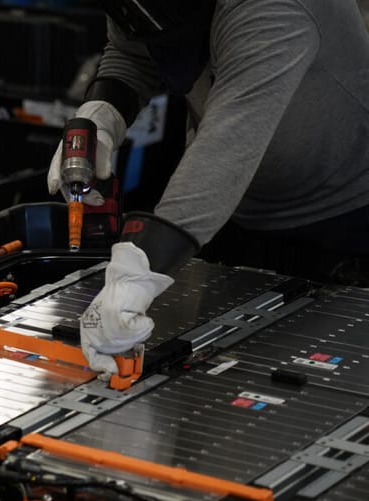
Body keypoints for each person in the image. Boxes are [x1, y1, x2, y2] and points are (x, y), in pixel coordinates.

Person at [46, 0, 369, 377]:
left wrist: (139, 270)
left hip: (345, 223)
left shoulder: (279, 6)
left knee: (313, 395)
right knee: (215, 378)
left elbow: (230, 140)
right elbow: (134, 53)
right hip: (232, 209)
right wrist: (103, 114)